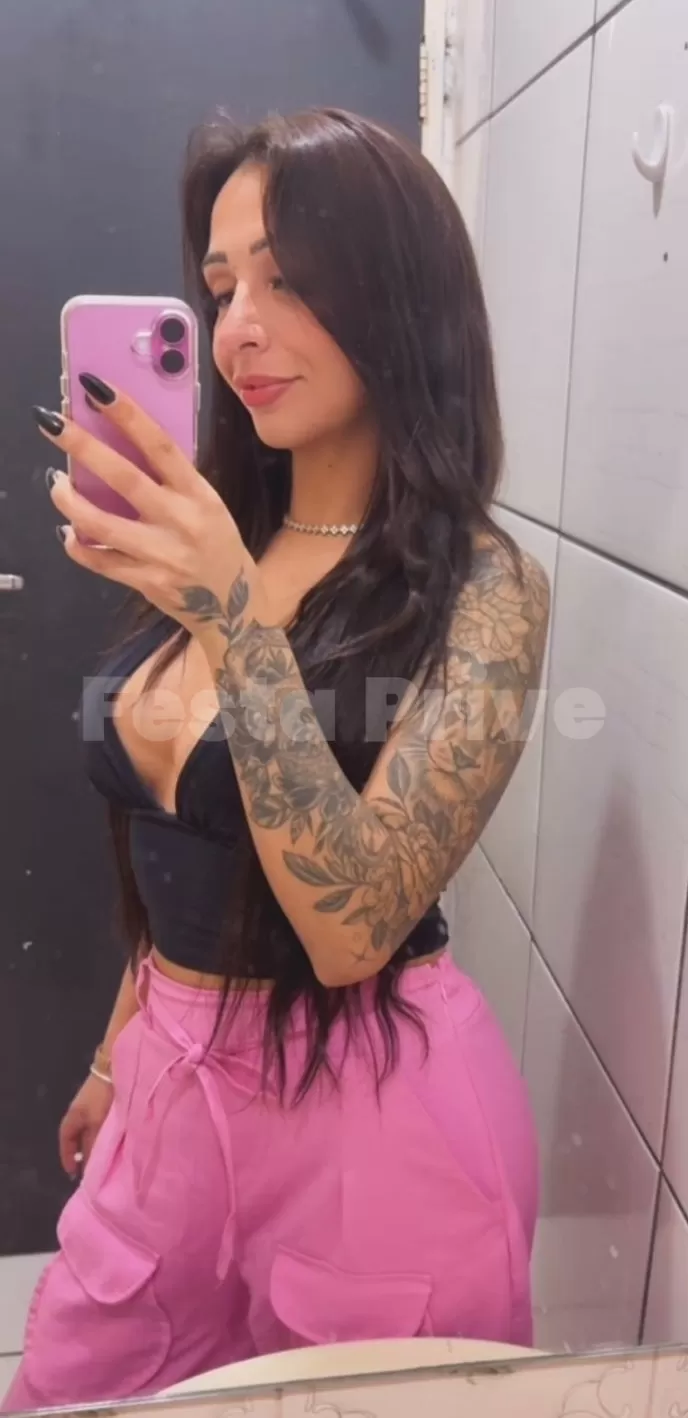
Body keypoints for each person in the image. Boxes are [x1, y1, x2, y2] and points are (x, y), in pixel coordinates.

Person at [4, 107, 550, 1411]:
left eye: (287, 279)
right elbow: (179, 849)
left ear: (399, 297)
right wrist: (116, 1055)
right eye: (221, 285)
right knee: (75, 1374)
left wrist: (234, 618)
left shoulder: (482, 587)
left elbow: (353, 925)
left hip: (374, 1118)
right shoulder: (222, 539)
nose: (238, 326)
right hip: (171, 1091)